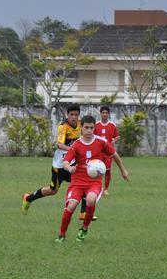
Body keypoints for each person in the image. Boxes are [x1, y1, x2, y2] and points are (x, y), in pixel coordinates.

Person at [56, 115, 129, 243]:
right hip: (77, 182)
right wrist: (70, 168)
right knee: (71, 206)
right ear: (81, 128)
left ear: (94, 128)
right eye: (86, 127)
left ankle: (84, 229)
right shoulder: (76, 145)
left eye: (91, 128)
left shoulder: (101, 142)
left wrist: (123, 170)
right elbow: (66, 162)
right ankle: (62, 235)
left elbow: (114, 155)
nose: (89, 130)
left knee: (90, 200)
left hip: (94, 182)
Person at [22, 104, 89, 217]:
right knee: (53, 190)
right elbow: (59, 145)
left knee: (84, 181)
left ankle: (84, 212)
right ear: (67, 115)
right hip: (60, 165)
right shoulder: (63, 126)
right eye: (71, 114)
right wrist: (74, 150)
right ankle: (28, 198)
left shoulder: (81, 124)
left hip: (73, 162)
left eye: (76, 115)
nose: (74, 117)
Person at [95, 105, 120, 196]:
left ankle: (105, 189)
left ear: (108, 114)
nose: (104, 114)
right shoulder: (96, 125)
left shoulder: (112, 125)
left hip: (108, 152)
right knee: (97, 170)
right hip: (98, 152)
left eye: (106, 113)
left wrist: (113, 141)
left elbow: (117, 136)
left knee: (108, 171)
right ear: (100, 114)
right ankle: (97, 188)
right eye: (103, 113)